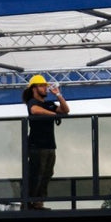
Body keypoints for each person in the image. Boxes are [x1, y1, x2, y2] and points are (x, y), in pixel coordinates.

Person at [23, 75, 68, 209]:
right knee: (37, 173)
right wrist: (54, 115)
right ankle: (28, 202)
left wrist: (58, 94)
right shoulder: (32, 102)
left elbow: (65, 110)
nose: (45, 88)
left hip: (50, 145)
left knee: (47, 173)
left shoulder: (48, 104)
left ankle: (38, 202)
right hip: (37, 145)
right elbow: (34, 110)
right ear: (34, 88)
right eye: (42, 86)